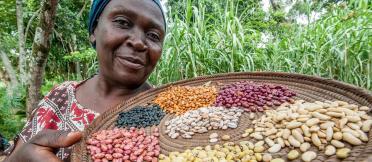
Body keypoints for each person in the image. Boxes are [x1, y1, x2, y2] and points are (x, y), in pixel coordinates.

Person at [4, 0, 166, 161]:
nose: (138, 42)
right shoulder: (60, 96)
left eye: (153, 35)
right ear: (94, 30)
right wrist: (18, 158)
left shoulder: (170, 115)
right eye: (122, 22)